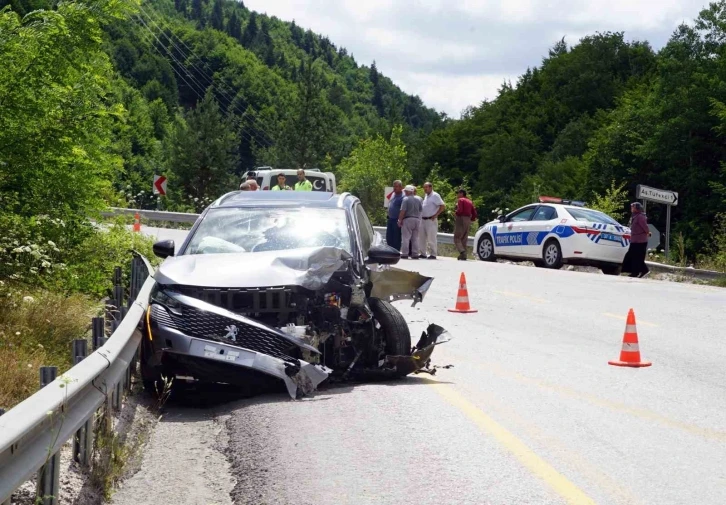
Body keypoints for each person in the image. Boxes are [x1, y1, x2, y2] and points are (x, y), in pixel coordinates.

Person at [418, 182, 445, 259]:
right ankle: (423, 253)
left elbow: (442, 206)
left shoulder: (435, 195)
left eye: (426, 187)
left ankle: (433, 253)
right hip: (423, 219)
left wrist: (436, 214)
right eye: (424, 188)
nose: (425, 189)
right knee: (422, 237)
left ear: (430, 187)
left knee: (431, 237)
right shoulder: (426, 196)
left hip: (431, 219)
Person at [624, 202, 651, 278]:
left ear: (637, 208)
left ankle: (640, 271)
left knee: (637, 257)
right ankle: (637, 272)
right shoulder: (634, 216)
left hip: (640, 241)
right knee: (633, 256)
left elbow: (645, 227)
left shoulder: (640, 216)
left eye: (633, 207)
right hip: (634, 240)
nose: (631, 209)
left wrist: (648, 232)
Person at [398, 185, 422, 259]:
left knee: (406, 237)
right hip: (417, 219)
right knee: (415, 238)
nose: (404, 192)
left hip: (408, 219)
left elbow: (403, 210)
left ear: (408, 191)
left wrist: (400, 220)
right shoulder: (418, 199)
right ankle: (415, 254)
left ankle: (405, 253)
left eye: (405, 191)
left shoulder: (406, 199)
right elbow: (420, 209)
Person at [454, 188, 477, 261]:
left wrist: (456, 213)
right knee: (464, 237)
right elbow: (474, 212)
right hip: (468, 219)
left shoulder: (461, 200)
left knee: (457, 237)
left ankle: (462, 251)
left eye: (458, 193)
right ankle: (464, 255)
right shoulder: (470, 201)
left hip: (461, 218)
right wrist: (472, 219)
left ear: (461, 193)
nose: (457, 195)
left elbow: (460, 210)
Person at [386, 180, 404, 251]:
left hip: (397, 220)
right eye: (394, 186)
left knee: (396, 237)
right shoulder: (393, 194)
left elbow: (403, 210)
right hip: (390, 219)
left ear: (401, 187)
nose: (394, 188)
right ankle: (390, 251)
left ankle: (396, 251)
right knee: (389, 236)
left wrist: (400, 220)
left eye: (396, 186)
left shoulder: (403, 197)